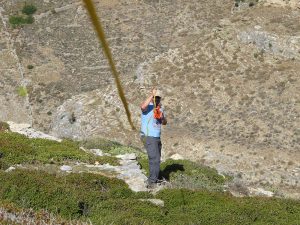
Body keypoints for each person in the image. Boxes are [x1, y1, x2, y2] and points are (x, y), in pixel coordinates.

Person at [140, 88, 167, 189]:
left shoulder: (160, 108)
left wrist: (162, 117)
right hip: (148, 135)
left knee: (157, 158)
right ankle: (151, 182)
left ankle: (155, 177)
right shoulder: (149, 107)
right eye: (155, 98)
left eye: (158, 98)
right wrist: (152, 95)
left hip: (156, 136)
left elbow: (164, 122)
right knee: (154, 158)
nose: (157, 100)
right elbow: (142, 106)